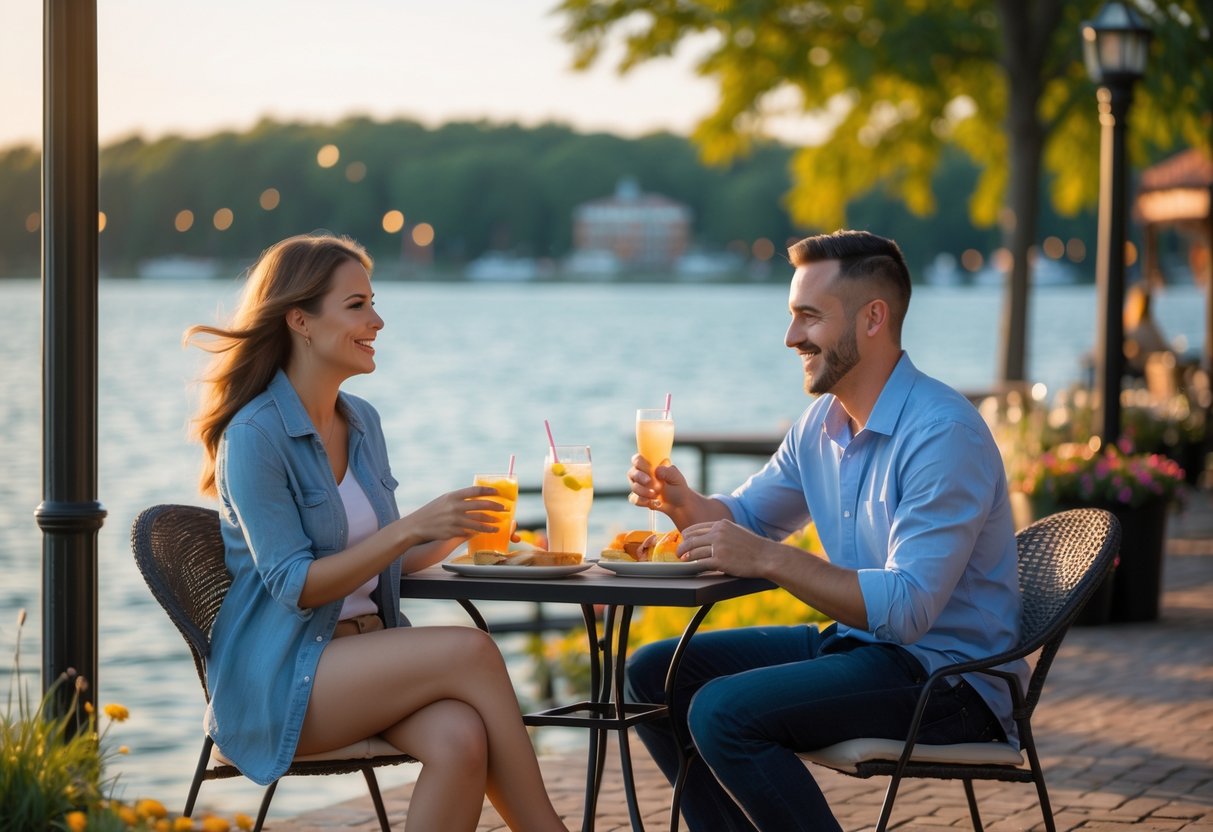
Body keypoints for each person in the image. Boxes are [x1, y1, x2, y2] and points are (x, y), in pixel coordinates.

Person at [625, 229, 1028, 832]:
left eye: (808, 318)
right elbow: (747, 519)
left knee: (721, 712)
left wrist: (770, 559)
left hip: (951, 684)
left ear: (873, 318)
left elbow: (909, 609)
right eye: (793, 317)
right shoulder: (822, 423)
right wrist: (685, 504)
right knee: (652, 673)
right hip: (866, 650)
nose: (791, 337)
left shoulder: (944, 435)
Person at [185, 233, 566, 832]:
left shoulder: (362, 421)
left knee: (462, 737)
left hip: (369, 659)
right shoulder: (254, 436)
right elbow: (297, 586)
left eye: (373, 303)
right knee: (470, 648)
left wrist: (461, 532)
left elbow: (383, 559)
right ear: (300, 321)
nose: (378, 320)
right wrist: (411, 525)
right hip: (287, 677)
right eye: (357, 305)